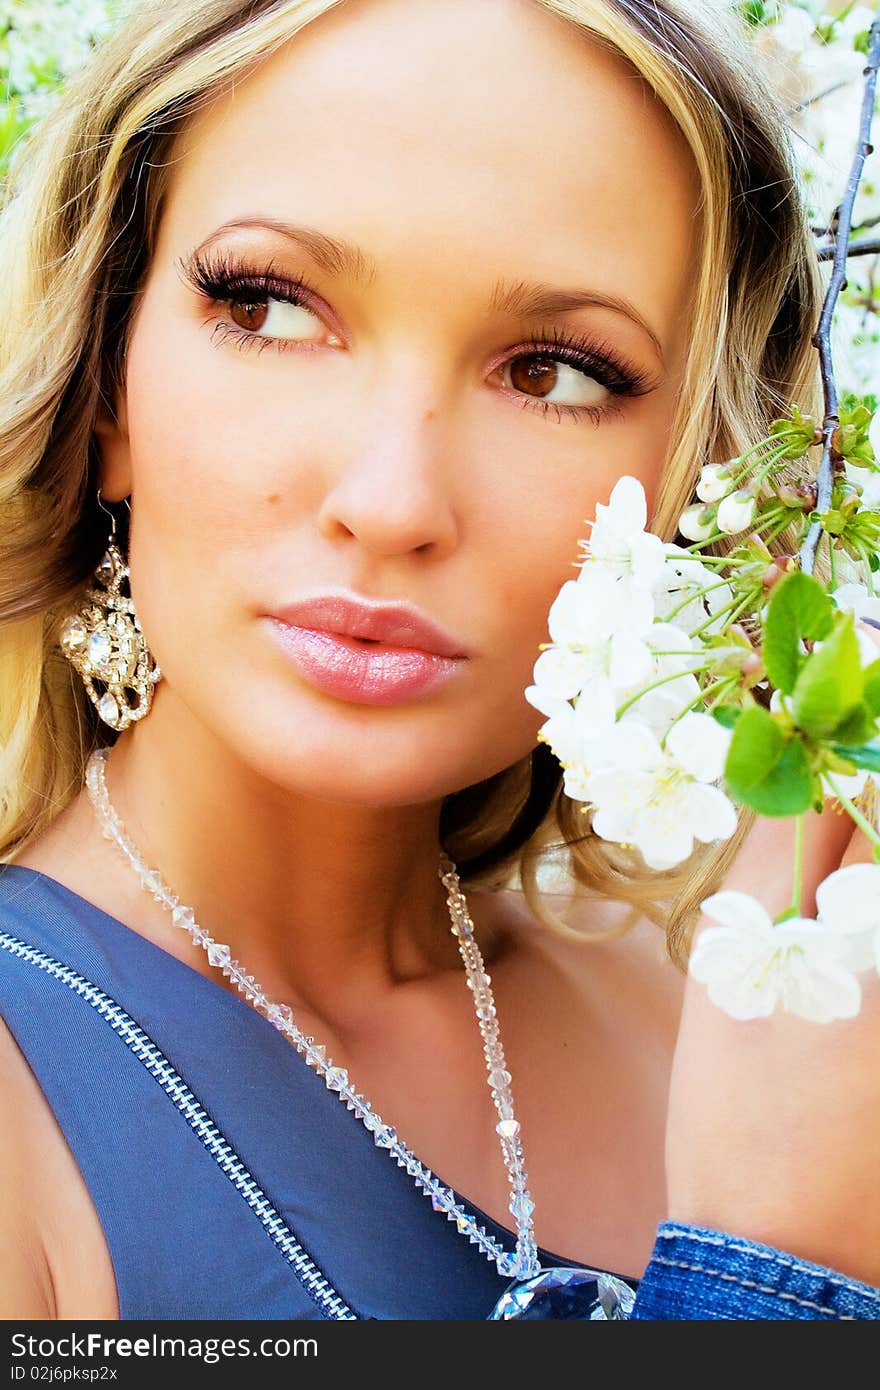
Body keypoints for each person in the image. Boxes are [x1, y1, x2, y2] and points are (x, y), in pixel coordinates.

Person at [0, 0, 877, 1321]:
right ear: (109, 386)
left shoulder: (747, 1031)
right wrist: (779, 1271)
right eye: (271, 308)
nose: (394, 497)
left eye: (557, 373)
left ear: (704, 475)